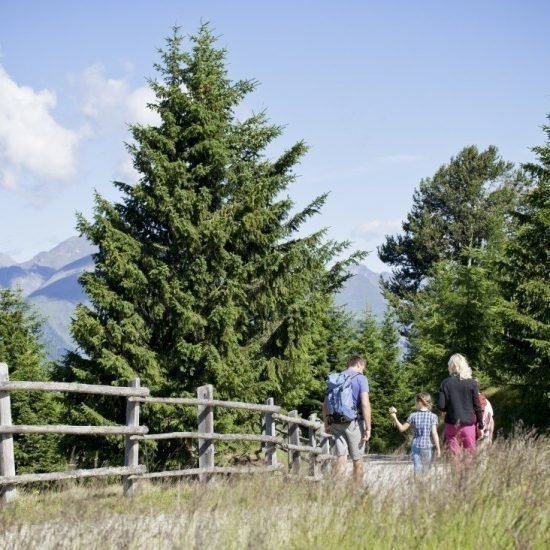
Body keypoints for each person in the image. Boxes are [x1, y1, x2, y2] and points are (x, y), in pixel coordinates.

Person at [323, 355, 371, 481]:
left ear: (349, 364)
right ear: (359, 364)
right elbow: (365, 404)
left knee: (340, 456)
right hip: (353, 422)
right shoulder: (361, 379)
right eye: (363, 368)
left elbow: (325, 404)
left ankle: (337, 490)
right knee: (357, 458)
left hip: (336, 421)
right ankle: (356, 490)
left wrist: (327, 423)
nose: (363, 370)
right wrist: (368, 427)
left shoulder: (336, 378)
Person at [437, 353, 484, 466]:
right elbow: (477, 406)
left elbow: (441, 406)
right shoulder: (472, 383)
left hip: (452, 424)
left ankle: (456, 482)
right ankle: (469, 482)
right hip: (468, 425)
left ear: (451, 366)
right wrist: (481, 426)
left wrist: (451, 405)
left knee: (455, 458)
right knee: (470, 457)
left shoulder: (445, 383)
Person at [389, 393, 441, 475]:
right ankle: (424, 487)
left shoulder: (413, 416)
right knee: (426, 470)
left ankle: (417, 485)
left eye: (416, 401)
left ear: (419, 402)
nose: (415, 403)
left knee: (417, 469)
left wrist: (395, 418)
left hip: (416, 445)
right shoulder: (433, 416)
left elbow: (402, 429)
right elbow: (434, 433)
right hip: (427, 445)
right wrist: (438, 449)